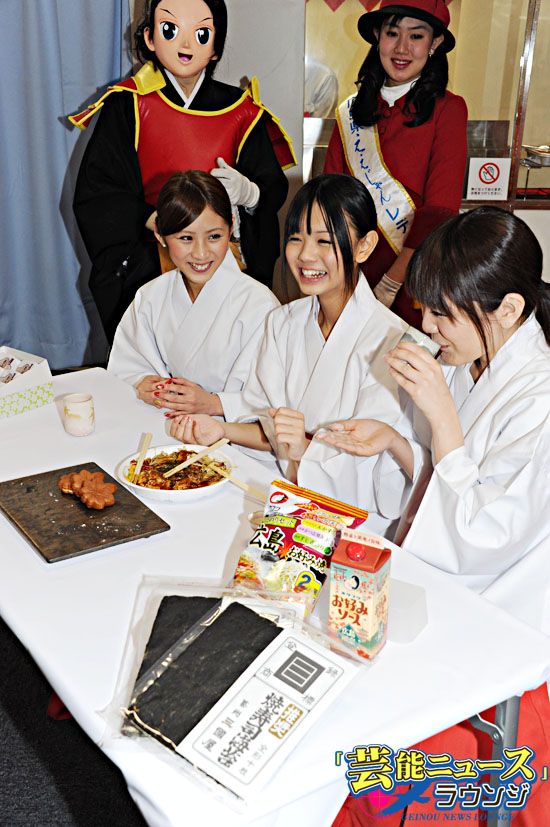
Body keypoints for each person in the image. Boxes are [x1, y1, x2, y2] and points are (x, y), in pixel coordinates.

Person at [319, 206, 550, 825]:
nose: (427, 325)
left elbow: (484, 534)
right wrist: (397, 443)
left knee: (383, 757)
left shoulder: (540, 398)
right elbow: (451, 479)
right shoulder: (476, 361)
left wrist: (440, 415)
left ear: (508, 310)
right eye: (427, 308)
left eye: (444, 314)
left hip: (505, 609)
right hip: (456, 583)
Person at [169, 174, 408, 535]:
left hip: (351, 523)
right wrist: (219, 429)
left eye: (324, 240)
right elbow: (269, 428)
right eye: (296, 238)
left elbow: (376, 472)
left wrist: (303, 448)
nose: (305, 255)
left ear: (364, 246)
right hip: (283, 497)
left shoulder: (394, 344)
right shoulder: (282, 322)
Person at [71, 0, 294, 342]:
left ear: (216, 47)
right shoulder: (128, 104)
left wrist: (250, 193)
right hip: (149, 262)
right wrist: (157, 222)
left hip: (224, 262)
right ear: (149, 38)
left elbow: (272, 187)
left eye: (201, 33)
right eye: (171, 30)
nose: (186, 44)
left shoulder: (242, 111)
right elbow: (99, 192)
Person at [324, 0, 467, 328]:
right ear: (377, 36)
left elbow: (439, 212)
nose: (402, 48)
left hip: (413, 279)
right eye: (392, 33)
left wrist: (391, 282)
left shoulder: (448, 110)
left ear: (435, 43)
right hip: (350, 275)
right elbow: (330, 200)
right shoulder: (350, 113)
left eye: (416, 36)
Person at [107, 170, 279, 422]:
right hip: (161, 423)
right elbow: (126, 368)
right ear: (159, 234)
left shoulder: (260, 305)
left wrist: (215, 403)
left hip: (232, 436)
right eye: (186, 238)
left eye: (214, 236)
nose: (201, 253)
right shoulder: (150, 296)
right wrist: (141, 384)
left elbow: (275, 397)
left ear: (231, 227)